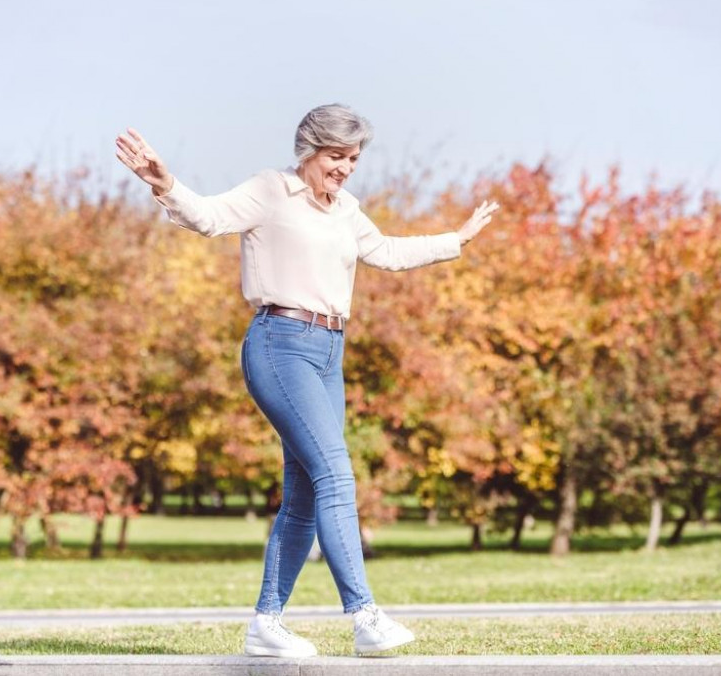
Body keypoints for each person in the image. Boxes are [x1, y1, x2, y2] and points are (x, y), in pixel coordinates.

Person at [115, 104, 498, 658]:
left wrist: (454, 240)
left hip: (328, 353)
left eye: (354, 159)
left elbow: (386, 252)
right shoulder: (272, 191)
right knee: (335, 475)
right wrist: (166, 183)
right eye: (337, 156)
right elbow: (207, 217)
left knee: (303, 495)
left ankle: (266, 625)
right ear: (310, 151)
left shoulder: (346, 211)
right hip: (279, 343)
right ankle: (364, 616)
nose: (345, 169)